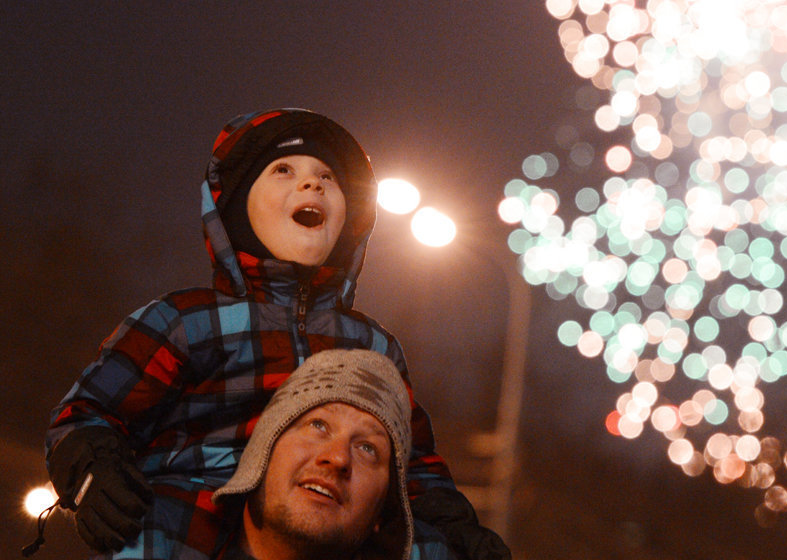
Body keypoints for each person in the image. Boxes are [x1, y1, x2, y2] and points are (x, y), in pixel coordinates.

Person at [44, 109, 508, 559]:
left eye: (329, 177)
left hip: (327, 523)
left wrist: (455, 527)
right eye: (283, 170)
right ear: (238, 208)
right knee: (146, 538)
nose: (312, 183)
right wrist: (91, 467)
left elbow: (411, 459)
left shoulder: (371, 345)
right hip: (195, 515)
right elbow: (88, 412)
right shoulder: (185, 320)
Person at [211, 348, 454, 560]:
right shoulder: (175, 541)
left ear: (383, 510)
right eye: (318, 425)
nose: (338, 458)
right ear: (262, 449)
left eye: (367, 448)